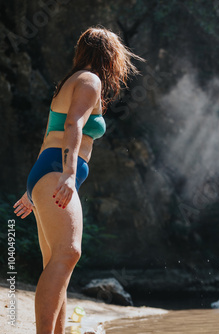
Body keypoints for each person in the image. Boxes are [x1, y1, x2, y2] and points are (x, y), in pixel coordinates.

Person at [13, 27, 143, 334]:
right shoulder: (90, 80)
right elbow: (72, 125)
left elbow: (51, 133)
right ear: (110, 55)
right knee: (69, 253)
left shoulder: (72, 81)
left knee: (58, 262)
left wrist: (35, 190)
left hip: (49, 171)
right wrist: (69, 174)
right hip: (58, 170)